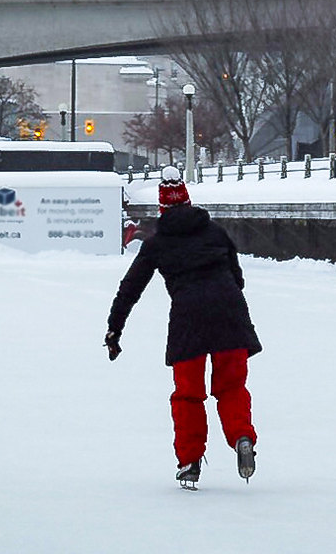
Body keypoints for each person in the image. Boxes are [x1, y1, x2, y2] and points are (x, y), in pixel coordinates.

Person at [106, 166, 261, 489]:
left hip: (188, 320)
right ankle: (242, 436)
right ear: (189, 202)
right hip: (229, 314)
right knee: (231, 387)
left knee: (188, 394)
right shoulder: (215, 232)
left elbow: (130, 289)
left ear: (162, 207)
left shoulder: (157, 244)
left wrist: (114, 329)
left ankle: (190, 462)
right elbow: (238, 278)